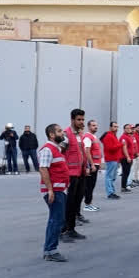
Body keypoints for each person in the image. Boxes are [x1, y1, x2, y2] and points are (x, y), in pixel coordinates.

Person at [37, 123, 70, 261]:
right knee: (56, 220)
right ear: (51, 134)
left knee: (56, 220)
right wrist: (50, 190)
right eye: (59, 131)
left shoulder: (57, 149)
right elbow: (43, 169)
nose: (62, 133)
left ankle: (50, 249)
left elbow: (67, 141)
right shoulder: (47, 149)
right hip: (54, 190)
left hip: (59, 189)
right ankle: (50, 250)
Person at [62, 109, 90, 240]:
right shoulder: (66, 134)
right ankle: (63, 230)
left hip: (81, 173)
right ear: (72, 120)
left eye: (83, 119)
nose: (81, 122)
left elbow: (81, 153)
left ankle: (71, 229)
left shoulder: (79, 134)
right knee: (69, 203)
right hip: (71, 174)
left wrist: (87, 166)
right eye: (79, 119)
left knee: (77, 202)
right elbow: (60, 153)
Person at [82, 120, 102, 212]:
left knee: (92, 185)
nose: (96, 127)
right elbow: (87, 151)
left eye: (96, 125)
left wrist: (99, 163)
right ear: (89, 127)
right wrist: (92, 165)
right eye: (93, 125)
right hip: (92, 164)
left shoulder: (94, 137)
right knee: (89, 185)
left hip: (96, 163)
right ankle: (87, 204)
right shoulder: (87, 137)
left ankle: (89, 203)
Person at [102, 122, 123, 199]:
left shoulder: (113, 136)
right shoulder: (109, 136)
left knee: (112, 177)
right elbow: (110, 148)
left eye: (117, 127)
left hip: (115, 159)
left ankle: (112, 192)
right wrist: (121, 144)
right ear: (110, 127)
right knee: (109, 177)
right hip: (111, 159)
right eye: (114, 126)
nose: (116, 128)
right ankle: (110, 193)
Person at [120, 124, 136, 193]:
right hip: (125, 158)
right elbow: (124, 148)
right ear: (124, 129)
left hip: (130, 157)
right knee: (125, 173)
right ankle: (123, 187)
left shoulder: (129, 136)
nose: (129, 129)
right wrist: (128, 157)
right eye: (127, 128)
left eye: (129, 128)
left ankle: (125, 186)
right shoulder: (123, 137)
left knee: (127, 173)